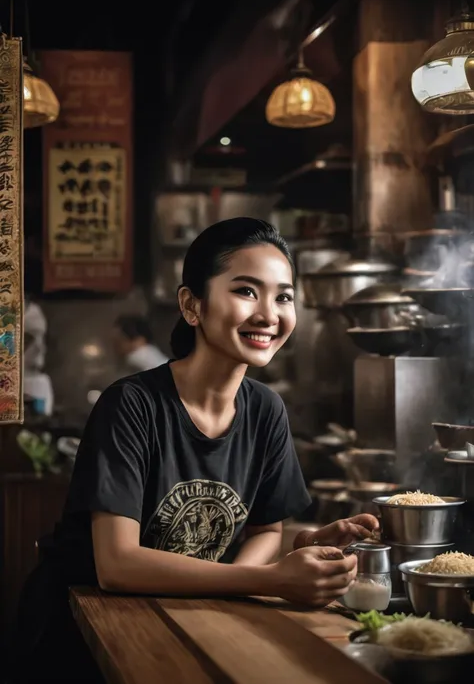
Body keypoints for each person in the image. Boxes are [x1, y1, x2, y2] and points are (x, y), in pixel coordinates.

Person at [11, 218, 378, 682]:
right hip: (81, 634)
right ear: (192, 305)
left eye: (283, 296)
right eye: (246, 291)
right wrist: (268, 580)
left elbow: (267, 528)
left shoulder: (266, 410)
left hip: (187, 617)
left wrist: (290, 556)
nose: (269, 314)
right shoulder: (132, 404)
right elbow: (117, 565)